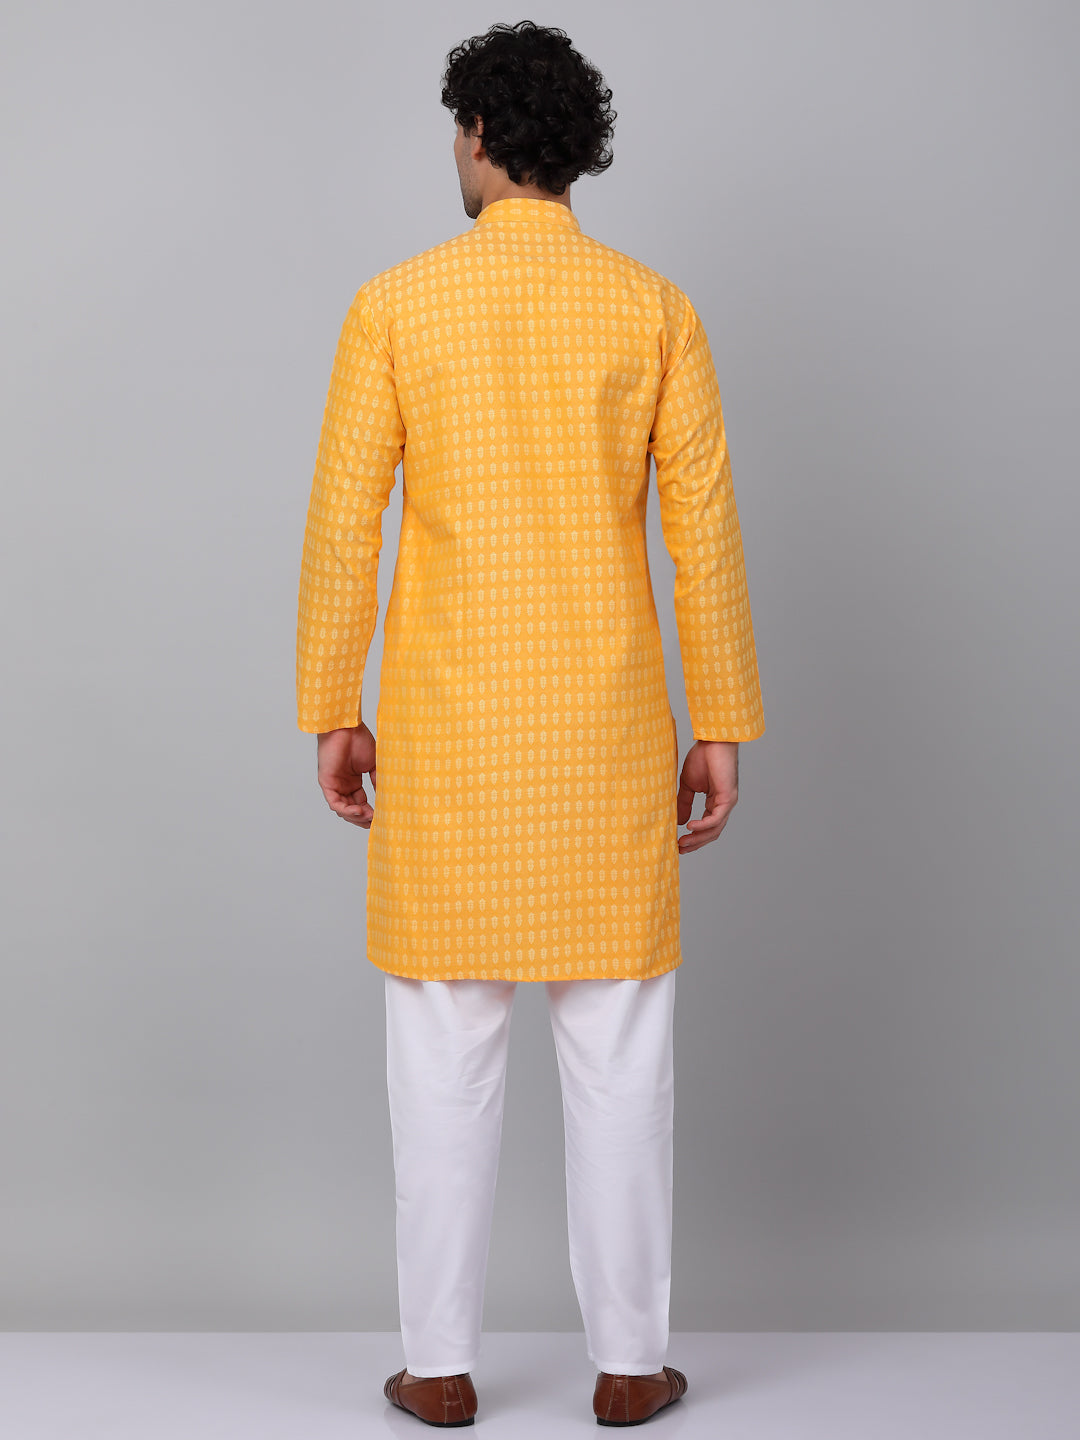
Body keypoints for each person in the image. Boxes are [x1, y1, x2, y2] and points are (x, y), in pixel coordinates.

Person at [295, 19, 764, 1429]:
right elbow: (705, 537)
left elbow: (342, 528)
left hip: (446, 735)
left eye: (458, 131)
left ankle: (439, 1366)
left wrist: (332, 706)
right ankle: (629, 1364)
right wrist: (721, 722)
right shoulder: (655, 309)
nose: (456, 150)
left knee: (442, 1062)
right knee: (621, 1066)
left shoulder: (394, 306)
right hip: (608, 734)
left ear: (483, 136)